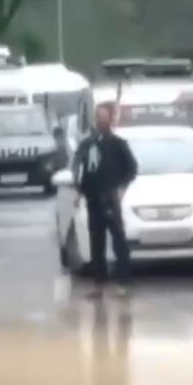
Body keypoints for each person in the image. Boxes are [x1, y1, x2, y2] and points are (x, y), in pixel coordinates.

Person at [73, 103, 138, 298]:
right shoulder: (86, 145)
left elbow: (132, 169)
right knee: (96, 241)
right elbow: (79, 168)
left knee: (118, 239)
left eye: (104, 117)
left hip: (110, 197)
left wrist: (121, 188)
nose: (101, 120)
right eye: (98, 116)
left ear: (111, 119)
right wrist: (77, 190)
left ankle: (124, 281)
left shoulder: (119, 144)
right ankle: (99, 283)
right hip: (92, 197)